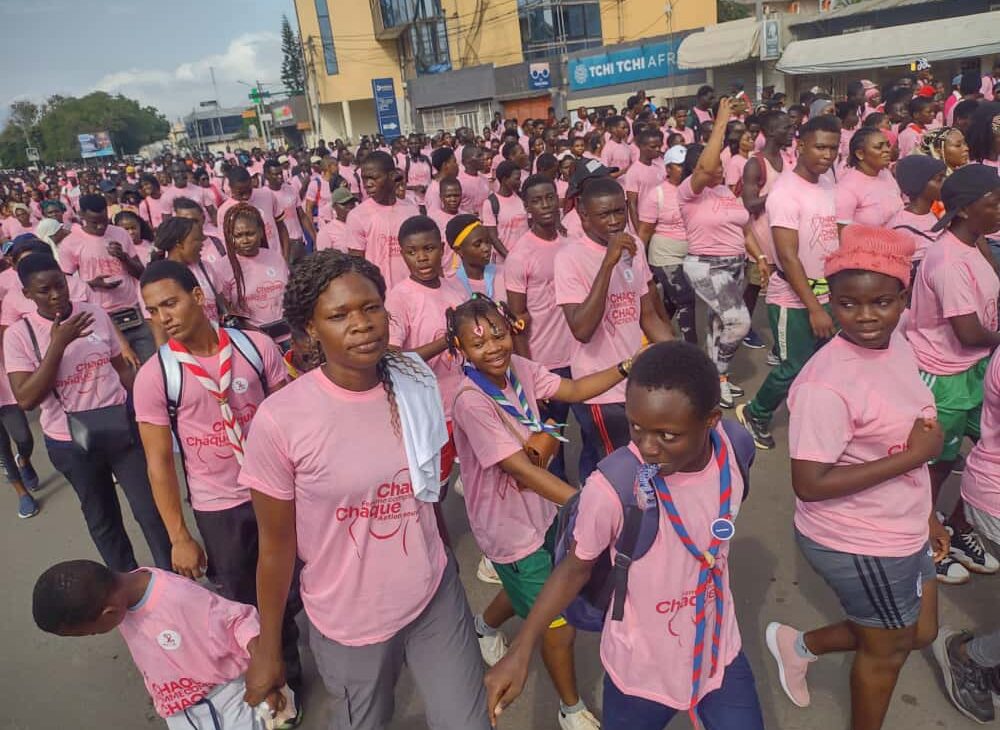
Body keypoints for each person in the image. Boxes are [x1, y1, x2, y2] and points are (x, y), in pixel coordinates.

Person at [239, 251, 491, 730]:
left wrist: (443, 559)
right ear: (311, 328)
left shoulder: (415, 380)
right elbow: (275, 547)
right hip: (350, 621)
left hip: (433, 594)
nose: (362, 325)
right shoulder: (280, 421)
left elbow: (426, 489)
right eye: (339, 315)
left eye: (371, 307)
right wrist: (268, 647)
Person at [484, 340, 764, 730]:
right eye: (636, 427)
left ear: (711, 420)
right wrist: (522, 647)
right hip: (640, 673)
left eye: (667, 435)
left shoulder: (735, 449)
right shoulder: (611, 488)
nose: (647, 448)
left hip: (719, 654)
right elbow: (573, 570)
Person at [767, 224, 943, 730]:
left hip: (903, 521)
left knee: (922, 630)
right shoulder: (827, 383)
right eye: (848, 305)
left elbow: (916, 436)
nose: (866, 317)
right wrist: (913, 460)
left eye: (882, 302)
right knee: (887, 650)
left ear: (903, 299)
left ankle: (797, 644)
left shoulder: (900, 345)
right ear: (831, 303)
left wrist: (927, 513)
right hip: (859, 539)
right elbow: (810, 483)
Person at [446, 295, 630, 730]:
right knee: (557, 624)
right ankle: (570, 709)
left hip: (541, 514)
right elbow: (520, 469)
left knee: (534, 583)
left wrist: (627, 367)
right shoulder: (472, 401)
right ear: (459, 350)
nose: (493, 346)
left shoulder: (520, 370)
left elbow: (574, 390)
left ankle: (485, 626)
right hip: (508, 528)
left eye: (498, 333)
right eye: (478, 343)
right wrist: (588, 506)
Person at [133, 260, 303, 719]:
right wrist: (179, 536)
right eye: (152, 311)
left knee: (292, 589)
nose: (162, 317)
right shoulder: (155, 376)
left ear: (199, 297)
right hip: (219, 506)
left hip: (275, 492)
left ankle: (294, 662)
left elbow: (290, 418)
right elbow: (159, 463)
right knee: (243, 603)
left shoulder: (256, 347)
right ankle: (276, 687)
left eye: (170, 303)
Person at [4, 253, 171, 571]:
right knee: (103, 518)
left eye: (59, 285)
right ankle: (128, 585)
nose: (55, 295)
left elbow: (119, 368)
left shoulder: (93, 312)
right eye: (44, 291)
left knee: (150, 509)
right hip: (70, 441)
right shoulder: (19, 336)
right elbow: (26, 399)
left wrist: (145, 409)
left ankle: (170, 577)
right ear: (27, 294)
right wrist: (58, 344)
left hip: (120, 426)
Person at [32, 559, 295, 729]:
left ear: (108, 614)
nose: (92, 636)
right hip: (177, 707)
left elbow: (238, 620)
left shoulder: (177, 598)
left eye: (88, 634)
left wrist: (266, 672)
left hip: (224, 699)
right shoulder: (122, 601)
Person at [906, 164, 1000, 584]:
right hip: (941, 375)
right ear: (963, 210)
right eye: (993, 202)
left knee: (986, 453)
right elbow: (968, 331)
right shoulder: (946, 261)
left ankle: (963, 527)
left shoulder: (976, 242)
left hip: (974, 367)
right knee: (934, 466)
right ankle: (927, 537)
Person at [554, 176, 674, 481]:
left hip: (637, 382)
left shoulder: (634, 248)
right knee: (619, 470)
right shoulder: (569, 258)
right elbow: (581, 328)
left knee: (643, 463)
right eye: (604, 215)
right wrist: (607, 264)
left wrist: (679, 356)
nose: (614, 221)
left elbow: (647, 314)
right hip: (600, 390)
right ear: (583, 216)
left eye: (619, 212)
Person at [737, 114, 842, 450]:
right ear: (801, 146)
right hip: (794, 297)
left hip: (829, 292)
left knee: (826, 362)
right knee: (791, 366)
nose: (827, 155)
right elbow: (788, 257)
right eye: (820, 147)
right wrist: (814, 308)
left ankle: (813, 415)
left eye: (833, 149)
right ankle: (757, 412)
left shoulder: (827, 183)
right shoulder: (785, 192)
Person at [678, 99, 765, 409]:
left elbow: (743, 229)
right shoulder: (689, 192)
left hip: (734, 264)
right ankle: (717, 375)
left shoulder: (726, 192)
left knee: (718, 325)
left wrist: (761, 258)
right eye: (710, 161)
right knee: (738, 322)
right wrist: (721, 123)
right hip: (707, 265)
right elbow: (705, 166)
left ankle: (715, 382)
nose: (718, 165)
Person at [384, 215, 468, 521]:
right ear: (402, 253)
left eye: (430, 248)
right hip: (431, 413)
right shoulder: (399, 297)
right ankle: (437, 547)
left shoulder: (455, 286)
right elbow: (392, 360)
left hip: (464, 400)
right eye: (412, 251)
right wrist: (446, 341)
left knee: (480, 476)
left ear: (443, 248)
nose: (422, 258)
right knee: (435, 490)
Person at [506, 175, 577, 482]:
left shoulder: (571, 245)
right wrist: (529, 373)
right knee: (551, 443)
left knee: (595, 434)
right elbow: (517, 321)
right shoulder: (520, 255)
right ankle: (558, 511)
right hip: (547, 364)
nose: (546, 205)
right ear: (527, 208)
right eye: (537, 200)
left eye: (550, 197)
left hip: (581, 358)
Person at [59, 193, 151, 363]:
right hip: (100, 315)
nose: (101, 227)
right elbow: (65, 284)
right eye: (94, 223)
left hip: (133, 309)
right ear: (82, 216)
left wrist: (124, 257)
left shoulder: (120, 233)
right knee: (124, 368)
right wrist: (92, 284)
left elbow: (141, 273)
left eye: (104, 220)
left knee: (150, 362)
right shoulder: (70, 243)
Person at [741, 111, 796, 355]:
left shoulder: (789, 159)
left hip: (784, 236)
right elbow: (750, 203)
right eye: (786, 128)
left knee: (783, 289)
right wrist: (778, 194)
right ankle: (741, 329)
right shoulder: (756, 163)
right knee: (755, 288)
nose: (791, 131)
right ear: (772, 131)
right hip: (762, 240)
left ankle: (779, 345)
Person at [636, 145, 695, 345]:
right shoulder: (657, 194)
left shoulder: (694, 189)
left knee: (670, 304)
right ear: (668, 168)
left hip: (690, 255)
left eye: (686, 165)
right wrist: (639, 263)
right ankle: (690, 352)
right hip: (664, 256)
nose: (684, 169)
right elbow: (644, 231)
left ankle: (651, 339)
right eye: (679, 166)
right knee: (685, 300)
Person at [346, 150, 420, 289]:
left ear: (391, 176)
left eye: (374, 178)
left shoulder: (411, 209)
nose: (368, 184)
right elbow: (356, 264)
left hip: (411, 291)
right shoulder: (357, 216)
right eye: (364, 179)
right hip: (379, 294)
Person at [220, 204, 290, 344]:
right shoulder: (223, 267)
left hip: (288, 335)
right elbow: (226, 310)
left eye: (250, 233)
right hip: (254, 340)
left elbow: (289, 293)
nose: (245, 240)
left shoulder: (275, 257)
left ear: (261, 232)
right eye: (238, 236)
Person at [835, 128, 903, 228]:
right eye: (879, 147)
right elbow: (842, 236)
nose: (887, 150)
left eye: (887, 145)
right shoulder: (846, 189)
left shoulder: (885, 174)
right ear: (860, 154)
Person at [889, 155, 946, 274]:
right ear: (919, 184)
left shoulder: (931, 214)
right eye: (939, 179)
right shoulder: (902, 228)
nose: (945, 183)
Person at [217, 168, 291, 259]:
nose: (246, 196)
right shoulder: (224, 211)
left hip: (276, 259)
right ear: (231, 188)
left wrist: (286, 257)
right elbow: (227, 244)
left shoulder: (267, 195)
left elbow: (281, 227)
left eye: (249, 190)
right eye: (241, 193)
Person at [445, 215, 507, 301]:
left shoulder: (505, 274)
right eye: (477, 245)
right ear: (459, 250)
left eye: (488, 241)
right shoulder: (452, 286)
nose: (486, 248)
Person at [264, 159, 311, 262]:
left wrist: (314, 237)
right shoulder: (264, 195)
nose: (280, 177)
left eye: (280, 173)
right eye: (275, 174)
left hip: (299, 241)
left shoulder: (291, 189)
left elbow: (302, 216)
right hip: (284, 246)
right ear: (266, 176)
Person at [482, 161, 527, 260]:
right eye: (517, 179)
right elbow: (492, 237)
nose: (520, 182)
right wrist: (509, 257)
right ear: (504, 180)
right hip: (502, 261)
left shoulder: (522, 199)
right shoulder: (491, 203)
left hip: (525, 257)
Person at [623, 128, 666, 233]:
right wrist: (639, 231)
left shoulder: (659, 167)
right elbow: (632, 204)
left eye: (659, 146)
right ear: (641, 147)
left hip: (659, 221)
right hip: (643, 222)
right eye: (653, 147)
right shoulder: (634, 172)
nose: (657, 149)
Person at [315, 187, 357, 254]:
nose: (349, 206)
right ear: (334, 206)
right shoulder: (326, 232)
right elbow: (324, 260)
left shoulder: (361, 225)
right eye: (344, 204)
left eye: (352, 203)